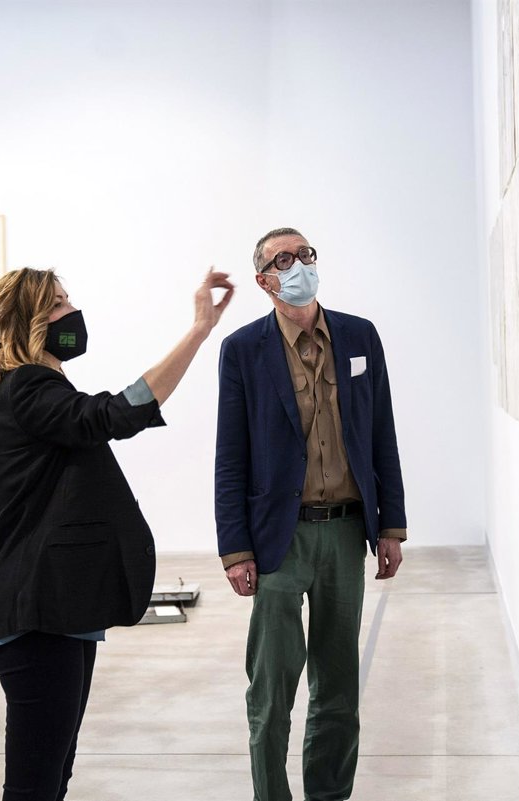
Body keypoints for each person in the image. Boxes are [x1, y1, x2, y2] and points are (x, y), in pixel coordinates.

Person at [0, 266, 234, 801]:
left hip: (55, 613)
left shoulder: (30, 394)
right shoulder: (27, 387)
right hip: (37, 614)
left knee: (51, 779)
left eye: (69, 300)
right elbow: (114, 415)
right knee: (35, 787)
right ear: (24, 322)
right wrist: (199, 331)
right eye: (56, 304)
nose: (72, 313)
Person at [214, 227, 407, 801]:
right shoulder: (243, 350)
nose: (298, 264)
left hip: (346, 532)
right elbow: (230, 456)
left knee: (339, 688)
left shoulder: (359, 335)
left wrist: (391, 526)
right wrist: (235, 549)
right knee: (271, 691)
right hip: (279, 540)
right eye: (284, 259)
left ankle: (329, 794)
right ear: (264, 281)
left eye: (305, 254)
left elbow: (382, 433)